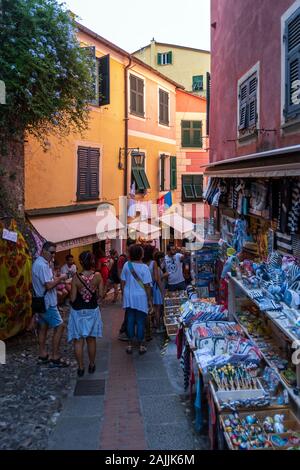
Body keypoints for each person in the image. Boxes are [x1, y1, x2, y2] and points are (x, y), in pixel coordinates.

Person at [32, 241, 69, 367]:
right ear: (44, 251)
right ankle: (55, 357)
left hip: (42, 302)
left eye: (54, 252)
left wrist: (54, 276)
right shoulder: (42, 265)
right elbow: (48, 284)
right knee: (60, 326)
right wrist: (61, 278)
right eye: (51, 252)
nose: (53, 255)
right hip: (47, 303)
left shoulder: (41, 263)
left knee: (43, 327)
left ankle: (42, 354)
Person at [68, 251, 103, 377]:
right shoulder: (98, 276)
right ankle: (92, 365)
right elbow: (101, 294)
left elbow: (72, 298)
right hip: (92, 310)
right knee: (91, 339)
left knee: (78, 340)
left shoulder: (76, 277)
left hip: (78, 312)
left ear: (81, 262)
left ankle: (81, 367)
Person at [121, 244, 153, 355]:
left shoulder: (126, 265)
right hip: (140, 297)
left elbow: (123, 282)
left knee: (130, 320)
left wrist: (123, 295)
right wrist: (150, 300)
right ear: (140, 254)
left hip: (128, 295)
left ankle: (130, 344)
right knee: (140, 321)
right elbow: (147, 286)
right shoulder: (145, 268)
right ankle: (141, 345)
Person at [118, 239, 136, 341]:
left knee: (130, 311)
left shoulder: (132, 258)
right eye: (132, 247)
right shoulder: (122, 259)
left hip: (133, 288)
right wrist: (122, 289)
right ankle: (124, 331)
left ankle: (126, 331)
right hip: (127, 288)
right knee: (129, 311)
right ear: (128, 246)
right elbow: (120, 274)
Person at [153, 251, 168, 331]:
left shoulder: (158, 267)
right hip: (158, 289)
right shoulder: (158, 268)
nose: (163, 261)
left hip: (157, 289)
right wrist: (163, 292)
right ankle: (158, 327)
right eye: (162, 259)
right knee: (158, 309)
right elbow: (158, 279)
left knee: (157, 308)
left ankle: (157, 325)